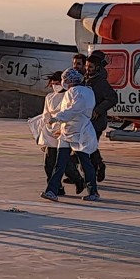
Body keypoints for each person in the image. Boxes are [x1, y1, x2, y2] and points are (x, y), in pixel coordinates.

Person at [41, 68, 100, 202]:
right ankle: (52, 190)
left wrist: (56, 118)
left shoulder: (76, 92)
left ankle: (53, 191)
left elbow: (72, 110)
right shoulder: (87, 92)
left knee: (67, 163)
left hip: (77, 132)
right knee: (79, 163)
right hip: (72, 131)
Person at [38, 71, 84, 195]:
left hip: (63, 133)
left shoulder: (69, 96)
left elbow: (70, 114)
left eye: (57, 83)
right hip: (50, 134)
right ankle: (57, 188)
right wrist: (44, 133)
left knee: (64, 164)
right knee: (49, 165)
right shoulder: (49, 97)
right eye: (53, 84)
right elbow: (45, 115)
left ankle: (78, 180)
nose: (55, 85)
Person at [84, 50, 117, 182]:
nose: (87, 69)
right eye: (86, 67)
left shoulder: (101, 83)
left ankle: (97, 168)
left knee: (90, 148)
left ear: (97, 67)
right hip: (86, 121)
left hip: (96, 122)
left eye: (90, 67)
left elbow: (112, 98)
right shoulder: (86, 80)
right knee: (86, 148)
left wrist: (98, 110)